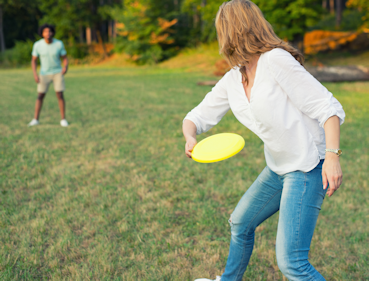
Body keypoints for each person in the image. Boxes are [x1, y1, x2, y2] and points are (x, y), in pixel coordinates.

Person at [182, 1, 345, 280]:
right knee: (240, 223)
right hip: (278, 167)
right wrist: (190, 136)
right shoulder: (234, 78)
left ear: (234, 30)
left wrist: (332, 156)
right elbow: (196, 116)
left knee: (292, 262)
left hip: (307, 166)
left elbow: (327, 107)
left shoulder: (275, 61)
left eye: (222, 29)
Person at [28, 24, 69, 127]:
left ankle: (63, 119)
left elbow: (65, 57)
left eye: (50, 31)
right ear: (42, 33)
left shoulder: (59, 44)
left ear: (52, 33)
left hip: (57, 72)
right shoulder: (37, 45)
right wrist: (35, 74)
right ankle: (35, 119)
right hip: (44, 73)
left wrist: (65, 66)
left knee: (60, 94)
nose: (48, 33)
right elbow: (34, 61)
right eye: (45, 31)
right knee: (40, 95)